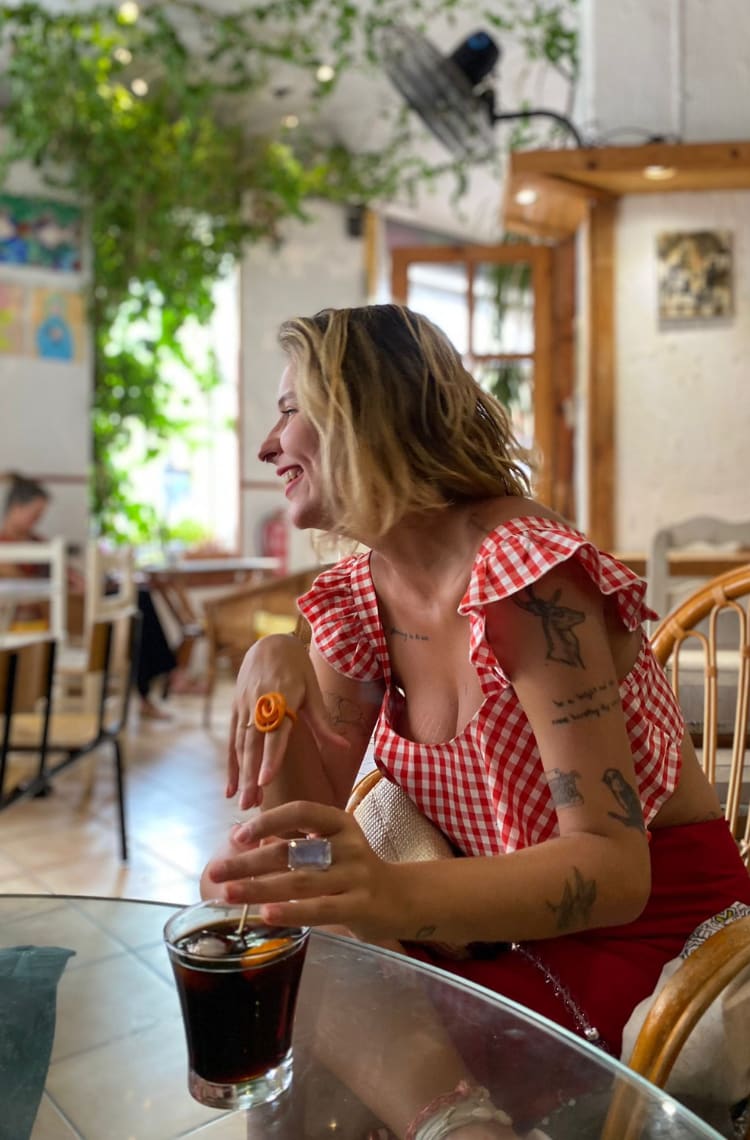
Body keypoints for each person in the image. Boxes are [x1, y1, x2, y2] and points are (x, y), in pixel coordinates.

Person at [200, 305, 750, 1138]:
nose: (269, 447)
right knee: (289, 956)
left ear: (363, 409)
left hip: (649, 934)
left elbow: (616, 871)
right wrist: (275, 669)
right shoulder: (360, 596)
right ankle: (463, 1128)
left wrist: (390, 894)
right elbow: (301, 842)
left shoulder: (523, 576)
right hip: (493, 920)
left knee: (322, 1037)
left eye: (288, 409)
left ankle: (458, 1126)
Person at [0, 471, 176, 720]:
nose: (37, 520)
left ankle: (155, 682)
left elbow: (64, 572)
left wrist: (79, 582)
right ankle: (157, 681)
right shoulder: (6, 546)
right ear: (16, 508)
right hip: (51, 613)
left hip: (72, 603)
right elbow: (27, 587)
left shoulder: (37, 542)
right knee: (135, 609)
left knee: (139, 600)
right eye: (35, 514)